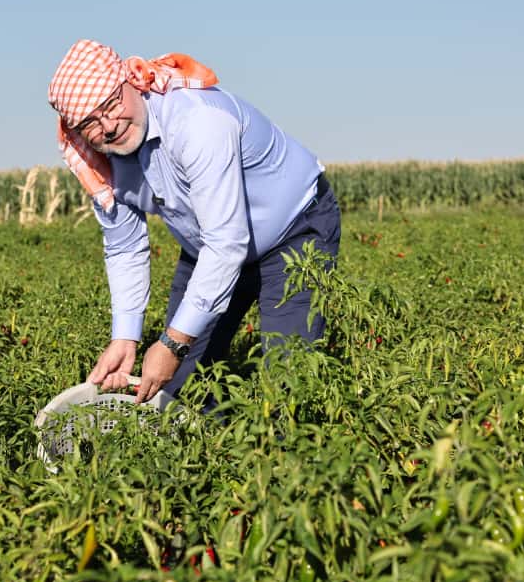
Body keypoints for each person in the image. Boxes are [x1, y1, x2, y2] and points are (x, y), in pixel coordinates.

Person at [47, 39, 341, 404]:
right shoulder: (104, 163)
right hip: (209, 245)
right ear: (76, 132)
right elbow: (124, 247)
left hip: (293, 231)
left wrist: (172, 342)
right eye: (91, 123)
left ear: (132, 83)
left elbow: (226, 242)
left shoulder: (197, 121)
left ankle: (287, 457)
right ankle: (209, 455)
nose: (109, 126)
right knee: (179, 386)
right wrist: (125, 337)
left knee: (288, 376)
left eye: (112, 104)